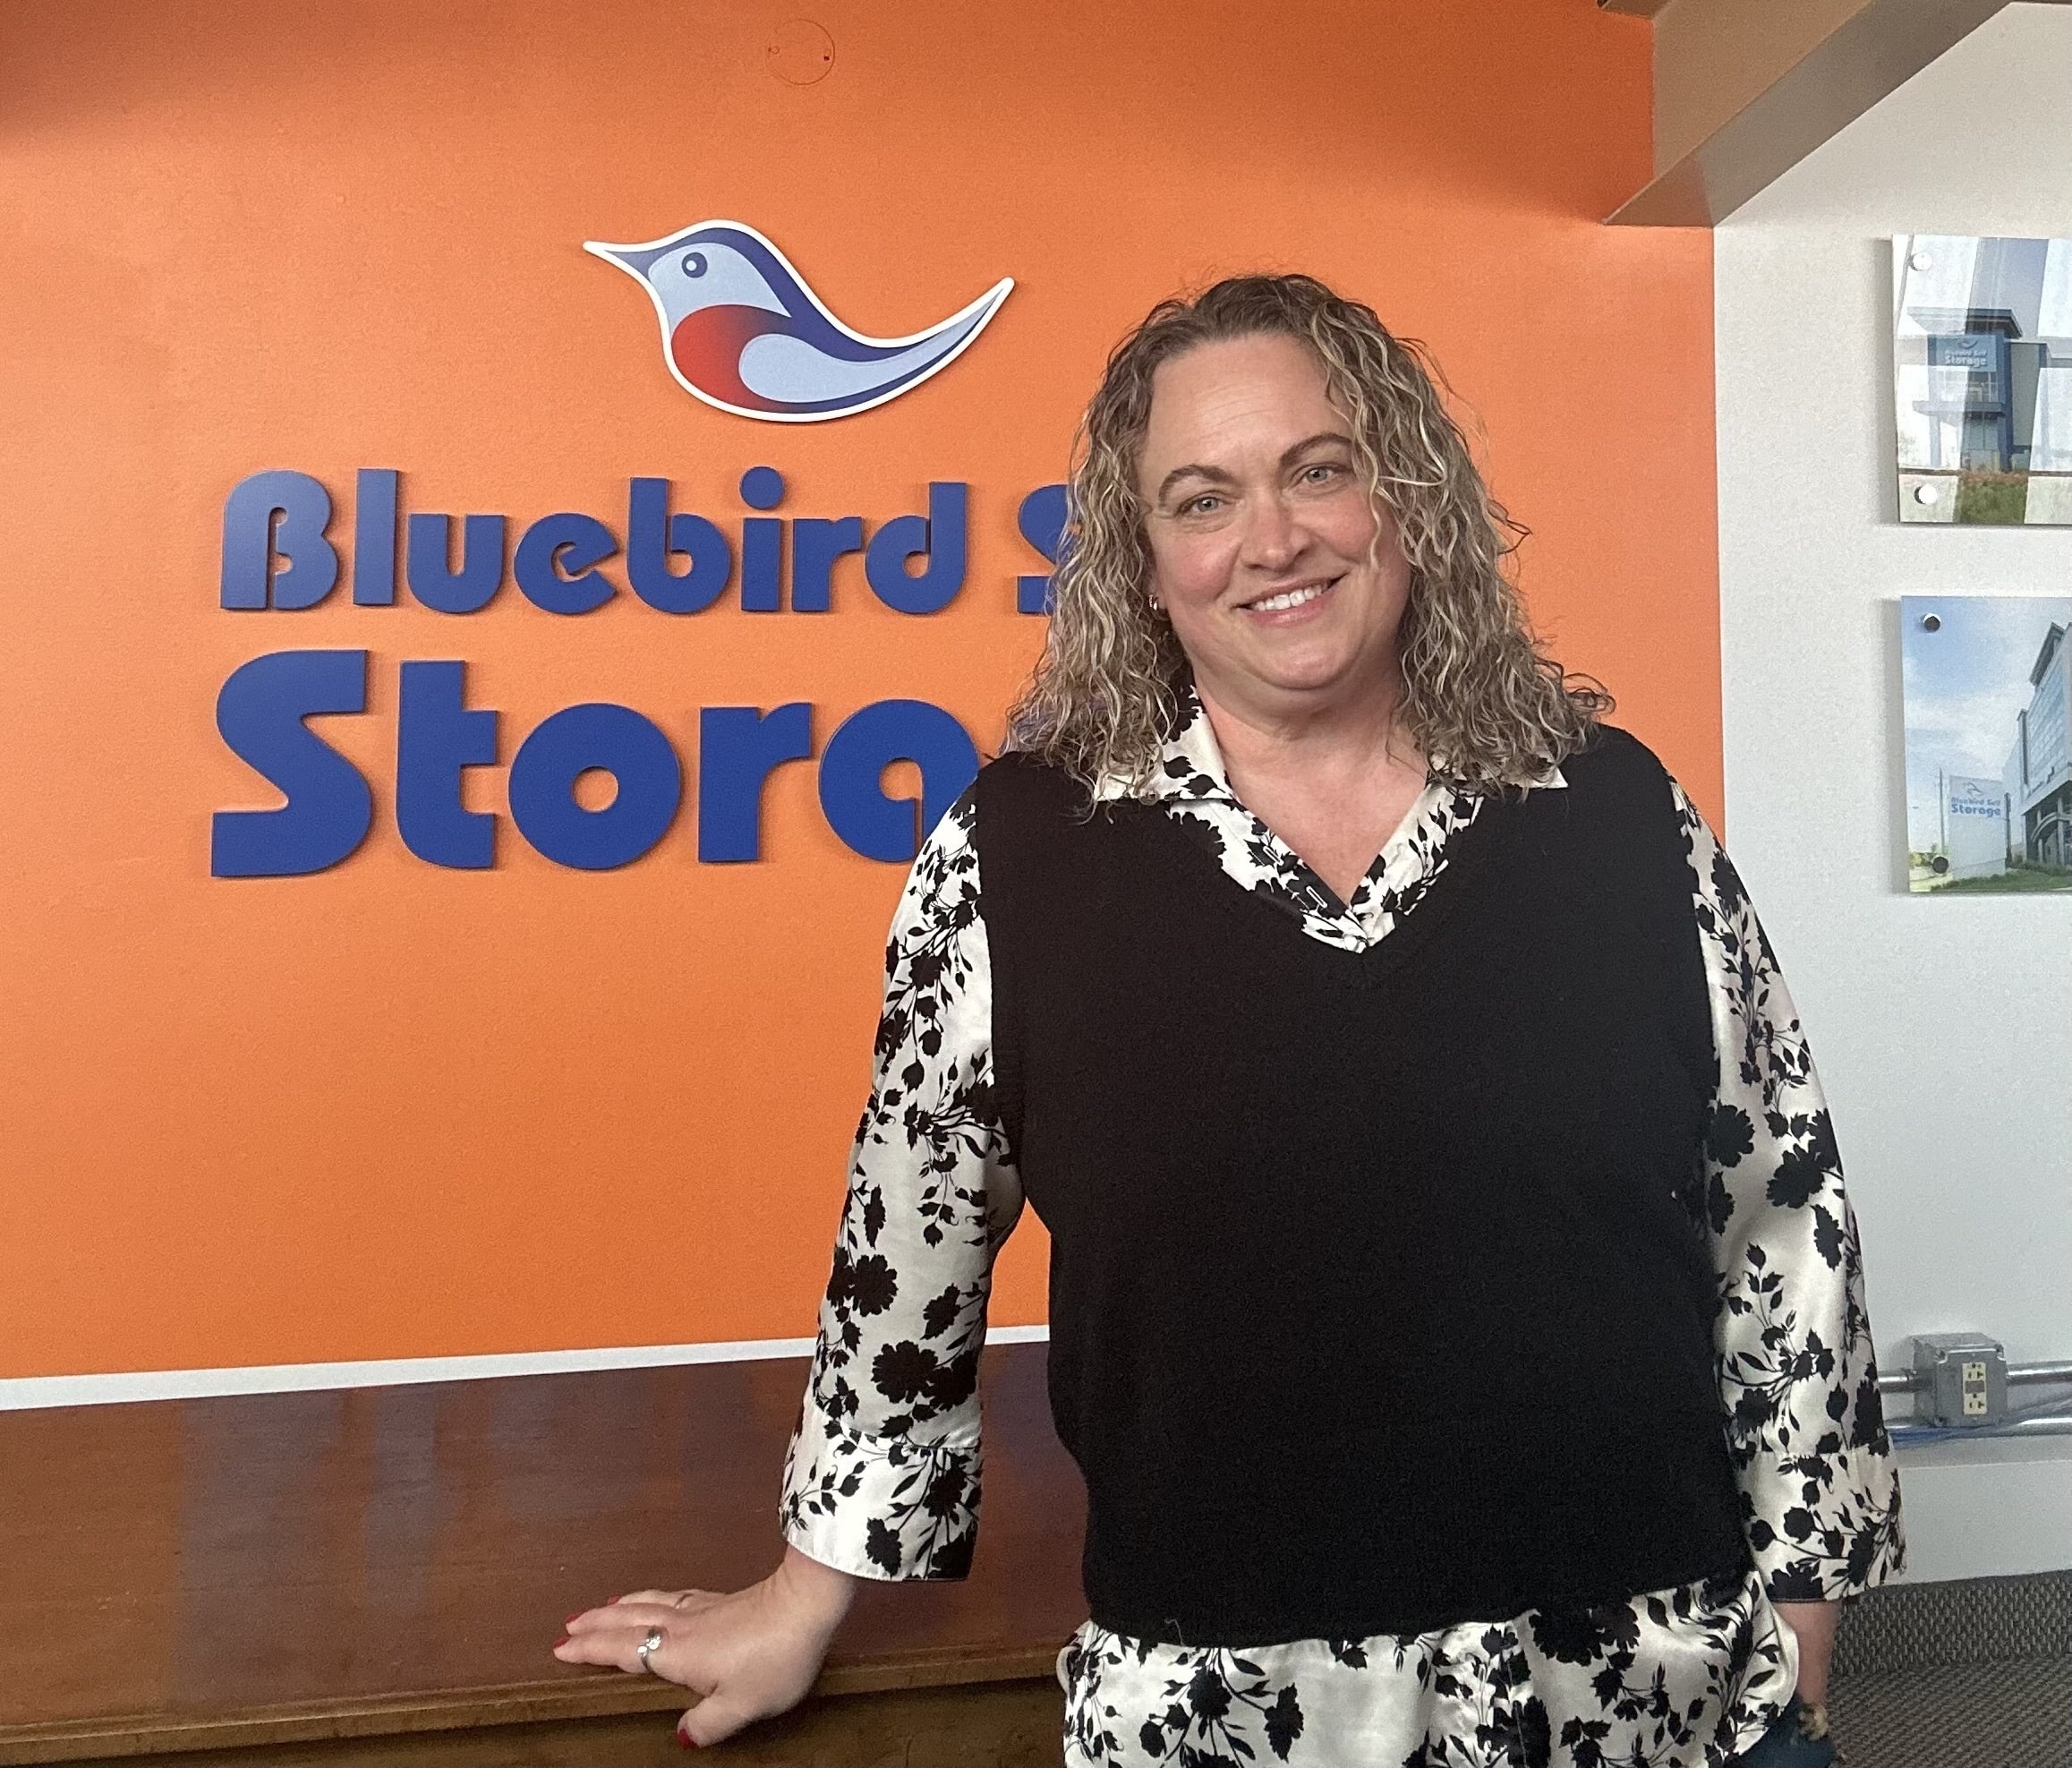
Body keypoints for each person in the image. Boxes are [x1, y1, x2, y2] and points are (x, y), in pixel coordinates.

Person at [555, 276, 1904, 1768]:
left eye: (1318, 470)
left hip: (1656, 1700)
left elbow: (1780, 1212)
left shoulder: (1616, 814)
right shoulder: (1021, 854)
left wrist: (1810, 1597)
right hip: (1226, 1720)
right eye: (1203, 498)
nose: (1273, 539)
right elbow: (907, 1242)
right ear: (1143, 563)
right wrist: (812, 1587)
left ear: (1408, 498)